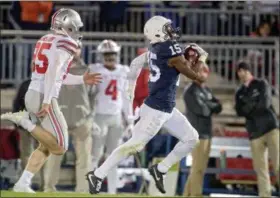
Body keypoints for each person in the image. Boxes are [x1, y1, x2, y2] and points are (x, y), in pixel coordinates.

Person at [86, 15, 209, 194]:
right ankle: (97, 175)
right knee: (133, 146)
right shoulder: (169, 48)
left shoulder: (157, 48)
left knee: (191, 139)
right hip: (156, 110)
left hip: (166, 108)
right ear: (158, 32)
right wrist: (202, 58)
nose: (171, 31)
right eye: (167, 28)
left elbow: (139, 63)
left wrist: (130, 86)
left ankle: (160, 170)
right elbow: (193, 75)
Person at [1, 8, 101, 193]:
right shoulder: (66, 42)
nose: (76, 30)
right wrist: (47, 100)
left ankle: (23, 183)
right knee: (61, 146)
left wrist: (81, 79)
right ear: (68, 25)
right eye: (74, 26)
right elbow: (52, 71)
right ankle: (24, 121)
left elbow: (56, 75)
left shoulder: (45, 39)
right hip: (43, 96)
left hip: (34, 92)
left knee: (47, 145)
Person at [43, 48, 95, 193]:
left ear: (80, 50)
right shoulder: (54, 70)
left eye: (76, 48)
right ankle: (49, 188)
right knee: (54, 157)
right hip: (59, 120)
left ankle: (83, 190)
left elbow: (93, 96)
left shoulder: (87, 70)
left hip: (82, 120)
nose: (73, 52)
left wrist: (89, 116)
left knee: (84, 158)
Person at [88, 40, 134, 194]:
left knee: (114, 156)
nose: (110, 57)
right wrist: (90, 117)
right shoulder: (95, 70)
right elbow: (88, 96)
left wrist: (130, 119)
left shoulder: (123, 71)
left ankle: (112, 191)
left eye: (112, 54)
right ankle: (91, 188)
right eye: (107, 54)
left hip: (116, 118)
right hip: (99, 116)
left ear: (118, 54)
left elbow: (126, 97)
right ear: (101, 56)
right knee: (95, 155)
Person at [235, 62, 279, 197]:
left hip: (270, 128)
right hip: (254, 132)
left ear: (247, 70)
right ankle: (265, 195)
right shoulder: (239, 92)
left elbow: (265, 104)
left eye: (241, 71)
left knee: (278, 164)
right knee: (261, 169)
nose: (240, 74)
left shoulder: (262, 84)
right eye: (238, 72)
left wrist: (248, 107)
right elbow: (239, 111)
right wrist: (252, 104)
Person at [182, 58, 223, 196]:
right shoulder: (190, 91)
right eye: (202, 71)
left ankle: (187, 195)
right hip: (196, 134)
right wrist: (210, 106)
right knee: (197, 169)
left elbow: (219, 107)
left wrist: (209, 105)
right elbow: (203, 110)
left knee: (199, 169)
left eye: (206, 71)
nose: (205, 74)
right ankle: (195, 195)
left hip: (206, 133)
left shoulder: (206, 90)